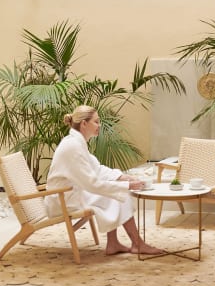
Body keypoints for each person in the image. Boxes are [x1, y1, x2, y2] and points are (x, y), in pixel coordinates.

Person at [45, 105, 162, 256]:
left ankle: (114, 244)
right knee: (118, 193)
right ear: (84, 124)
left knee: (116, 191)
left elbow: (97, 169)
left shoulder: (76, 142)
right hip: (63, 200)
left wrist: (123, 177)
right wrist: (127, 185)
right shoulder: (73, 146)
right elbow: (92, 184)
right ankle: (137, 244)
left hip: (71, 194)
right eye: (96, 121)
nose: (99, 125)